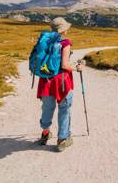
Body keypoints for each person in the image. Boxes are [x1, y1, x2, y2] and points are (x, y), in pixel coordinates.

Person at [37, 17, 81, 152]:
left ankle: (45, 134)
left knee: (47, 108)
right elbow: (65, 65)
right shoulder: (65, 43)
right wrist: (77, 68)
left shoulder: (46, 41)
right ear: (64, 30)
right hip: (61, 81)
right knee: (64, 109)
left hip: (46, 79)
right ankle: (62, 139)